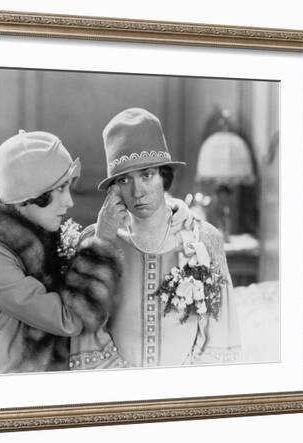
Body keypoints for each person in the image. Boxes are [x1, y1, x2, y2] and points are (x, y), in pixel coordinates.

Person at [69, 108, 242, 370]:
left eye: (147, 175)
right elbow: (85, 335)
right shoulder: (96, 243)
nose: (137, 191)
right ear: (114, 189)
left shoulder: (204, 239)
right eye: (125, 180)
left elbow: (220, 340)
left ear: (164, 175)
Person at [0, 130, 122, 376]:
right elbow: (68, 318)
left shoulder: (37, 240)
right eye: (60, 189)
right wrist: (102, 240)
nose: (69, 202)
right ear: (29, 197)